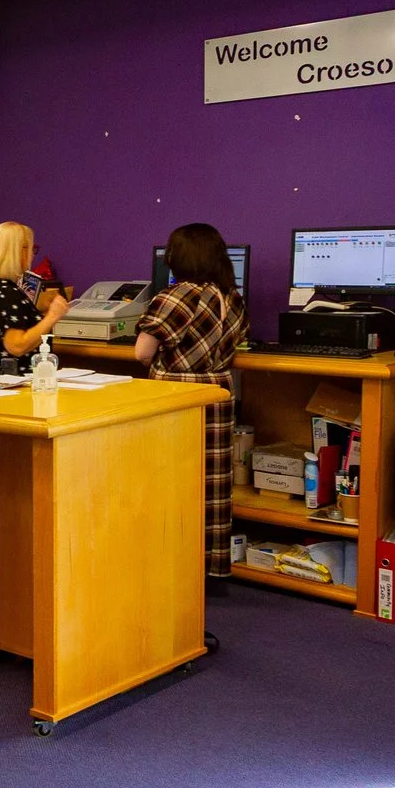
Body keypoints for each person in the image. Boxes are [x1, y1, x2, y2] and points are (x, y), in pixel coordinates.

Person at [135, 223, 250, 590]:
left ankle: (171, 561)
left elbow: (142, 352)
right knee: (212, 485)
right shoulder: (232, 298)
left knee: (169, 483)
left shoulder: (174, 296)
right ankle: (211, 569)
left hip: (175, 397)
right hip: (217, 394)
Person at [0, 221, 71, 378]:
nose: (33, 255)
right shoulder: (6, 293)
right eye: (31, 249)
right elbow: (17, 346)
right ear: (18, 252)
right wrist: (52, 317)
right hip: (9, 383)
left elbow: (2, 325)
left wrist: (38, 312)